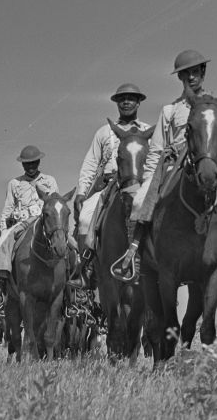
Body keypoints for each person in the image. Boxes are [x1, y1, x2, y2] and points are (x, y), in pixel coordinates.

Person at [112, 50, 217, 286]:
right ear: (180, 78)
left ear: (203, 72)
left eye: (195, 72)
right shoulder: (170, 111)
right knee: (139, 203)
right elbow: (157, 148)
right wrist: (149, 181)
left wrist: (213, 152)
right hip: (174, 165)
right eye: (185, 74)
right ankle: (133, 258)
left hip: (212, 163)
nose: (191, 77)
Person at [73, 83, 152, 285]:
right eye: (122, 99)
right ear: (117, 103)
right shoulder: (104, 132)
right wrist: (82, 191)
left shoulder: (148, 131)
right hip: (112, 185)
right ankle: (87, 269)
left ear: (138, 102)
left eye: (131, 98)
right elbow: (91, 162)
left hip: (142, 185)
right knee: (84, 219)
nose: (126, 102)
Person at [0, 145, 60, 299]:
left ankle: (72, 288)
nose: (30, 166)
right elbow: (7, 208)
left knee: (68, 244)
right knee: (4, 243)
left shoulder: (50, 180)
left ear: (38, 162)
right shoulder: (14, 183)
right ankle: (1, 284)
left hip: (45, 220)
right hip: (22, 223)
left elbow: (56, 203)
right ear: (22, 164)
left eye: (34, 163)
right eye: (27, 163)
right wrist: (4, 230)